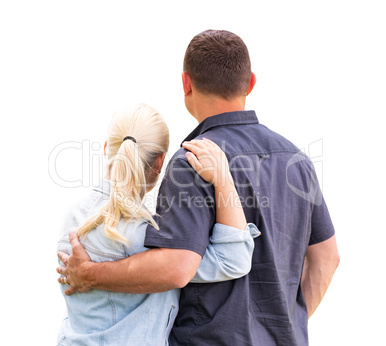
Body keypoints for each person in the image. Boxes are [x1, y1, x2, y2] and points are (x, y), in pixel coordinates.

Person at [57, 30, 340, 345]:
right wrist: (283, 329)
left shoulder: (191, 161)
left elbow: (175, 266)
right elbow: (327, 258)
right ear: (250, 83)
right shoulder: (297, 161)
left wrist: (91, 275)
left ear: (186, 83)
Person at [56, 103, 261, 345]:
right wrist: (223, 179)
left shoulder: (72, 217)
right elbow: (233, 258)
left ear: (106, 149)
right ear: (159, 163)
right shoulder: (145, 235)